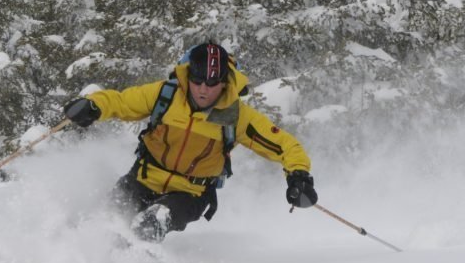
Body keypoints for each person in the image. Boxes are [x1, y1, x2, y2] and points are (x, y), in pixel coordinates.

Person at [63, 42, 318, 242]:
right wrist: (93, 106)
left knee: (150, 223)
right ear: (189, 77)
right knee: (98, 221)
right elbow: (120, 101)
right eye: (197, 81)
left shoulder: (235, 116)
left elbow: (285, 145)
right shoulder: (166, 95)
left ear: (224, 83)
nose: (203, 89)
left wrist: (299, 175)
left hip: (189, 193)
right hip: (142, 179)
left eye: (211, 83)